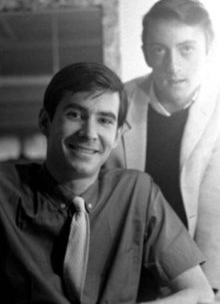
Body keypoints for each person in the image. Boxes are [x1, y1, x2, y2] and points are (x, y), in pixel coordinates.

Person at [0, 62, 214, 304]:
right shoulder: (4, 191)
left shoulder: (137, 194)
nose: (89, 132)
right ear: (45, 122)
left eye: (104, 120)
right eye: (75, 115)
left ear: (117, 136)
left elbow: (200, 296)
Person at [106, 0, 220, 295]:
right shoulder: (117, 103)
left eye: (186, 49)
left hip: (209, 277)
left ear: (209, 47)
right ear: (144, 52)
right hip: (130, 275)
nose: (173, 65)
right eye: (160, 50)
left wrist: (208, 292)